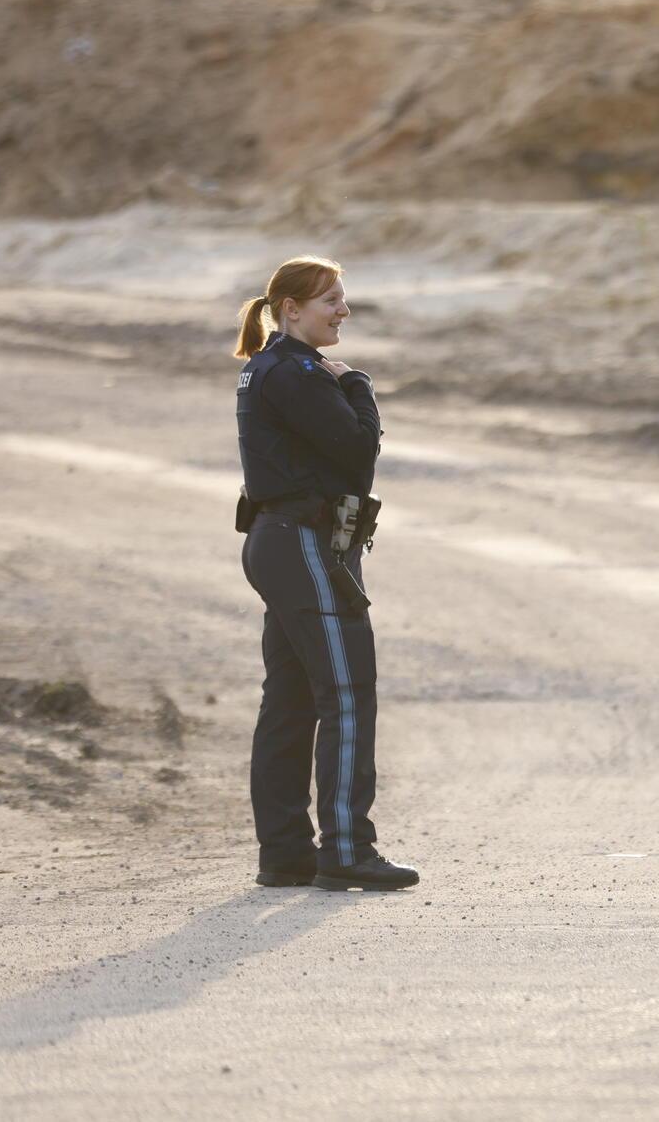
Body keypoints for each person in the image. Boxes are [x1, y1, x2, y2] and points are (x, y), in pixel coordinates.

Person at [234, 256, 417, 893]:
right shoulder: (298, 371)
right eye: (331, 301)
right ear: (291, 309)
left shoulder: (271, 367)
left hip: (281, 542)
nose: (343, 312)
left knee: (290, 701)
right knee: (344, 692)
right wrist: (358, 384)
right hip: (304, 544)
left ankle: (286, 854)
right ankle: (345, 850)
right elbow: (358, 451)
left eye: (343, 300)